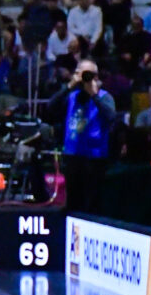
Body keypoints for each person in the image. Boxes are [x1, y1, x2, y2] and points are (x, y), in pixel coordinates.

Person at [46, 59, 115, 214]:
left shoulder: (104, 96)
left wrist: (94, 95)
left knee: (91, 204)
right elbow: (51, 108)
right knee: (73, 203)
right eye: (81, 74)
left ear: (96, 77)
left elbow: (111, 117)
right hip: (72, 154)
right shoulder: (72, 96)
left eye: (88, 75)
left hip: (94, 158)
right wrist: (69, 86)